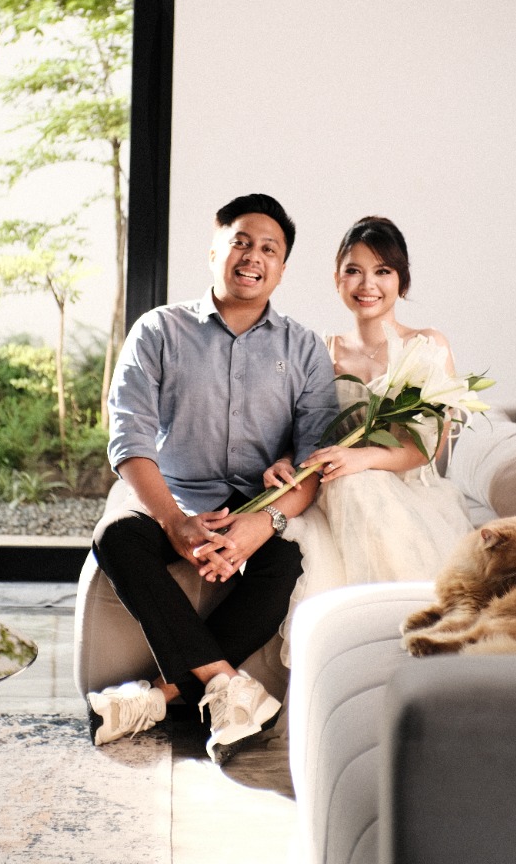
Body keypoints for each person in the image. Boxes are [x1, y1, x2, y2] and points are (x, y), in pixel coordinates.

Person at [88, 194, 339, 763]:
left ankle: (156, 697)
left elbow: (316, 460)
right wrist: (173, 522)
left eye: (268, 249)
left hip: (255, 500)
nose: (253, 257)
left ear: (281, 268)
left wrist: (262, 523)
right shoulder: (158, 330)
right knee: (116, 537)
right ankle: (226, 685)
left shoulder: (303, 347)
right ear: (213, 252)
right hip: (175, 493)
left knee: (286, 561)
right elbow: (129, 440)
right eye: (240, 242)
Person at [265, 215, 473, 626]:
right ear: (337, 279)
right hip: (332, 489)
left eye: (382, 271)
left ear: (402, 280)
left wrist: (362, 459)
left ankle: (407, 624)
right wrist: (284, 460)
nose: (367, 285)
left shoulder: (427, 345)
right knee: (346, 485)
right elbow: (303, 429)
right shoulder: (322, 349)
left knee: (356, 482)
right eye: (353, 271)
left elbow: (429, 447)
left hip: (407, 492)